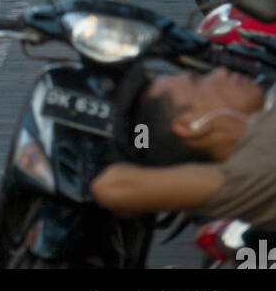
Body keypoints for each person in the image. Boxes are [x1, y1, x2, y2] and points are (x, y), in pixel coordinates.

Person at [91, 68, 276, 229]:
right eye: (199, 82)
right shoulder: (249, 177)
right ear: (190, 126)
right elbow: (111, 186)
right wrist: (138, 146)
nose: (220, 72)